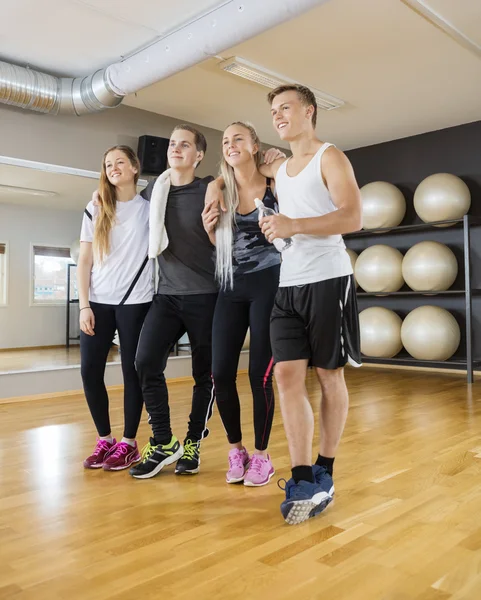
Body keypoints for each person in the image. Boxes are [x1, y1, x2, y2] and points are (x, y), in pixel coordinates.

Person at [261, 84, 363, 524]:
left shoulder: (331, 157)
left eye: (286, 107)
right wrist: (280, 232)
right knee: (285, 374)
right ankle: (302, 475)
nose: (278, 115)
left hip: (328, 278)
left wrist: (293, 224)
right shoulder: (282, 172)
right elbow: (290, 225)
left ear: (309, 111)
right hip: (290, 284)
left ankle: (326, 467)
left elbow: (351, 217)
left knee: (328, 375)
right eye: (273, 111)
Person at [202, 122, 285, 487]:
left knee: (259, 375)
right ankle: (237, 449)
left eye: (238, 138)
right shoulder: (219, 189)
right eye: (225, 140)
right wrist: (208, 229)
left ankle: (263, 456)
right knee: (219, 372)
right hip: (230, 286)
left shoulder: (274, 184)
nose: (230, 144)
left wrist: (278, 164)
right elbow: (215, 242)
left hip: (269, 284)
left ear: (255, 145)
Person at [78, 145, 153, 471]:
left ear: (135, 167)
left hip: (136, 302)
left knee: (131, 373)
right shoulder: (95, 208)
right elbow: (85, 260)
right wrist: (83, 306)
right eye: (108, 163)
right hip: (97, 301)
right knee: (89, 371)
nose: (113, 167)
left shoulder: (150, 210)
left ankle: (129, 443)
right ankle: (105, 439)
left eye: (120, 161)